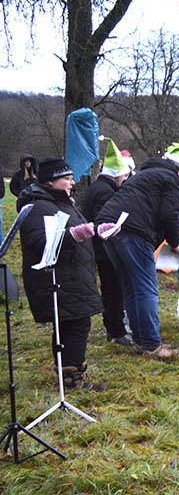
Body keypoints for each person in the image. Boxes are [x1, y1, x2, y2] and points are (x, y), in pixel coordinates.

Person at [94, 143, 179, 361]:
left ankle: (141, 340)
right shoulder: (172, 179)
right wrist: (176, 243)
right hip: (132, 230)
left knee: (130, 286)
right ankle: (152, 345)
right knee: (146, 288)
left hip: (108, 226)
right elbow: (168, 214)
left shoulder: (144, 176)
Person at [17, 159, 105, 390]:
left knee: (73, 324)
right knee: (76, 324)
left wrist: (96, 231)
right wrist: (74, 235)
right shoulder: (39, 206)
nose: (72, 182)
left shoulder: (62, 202)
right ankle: (71, 378)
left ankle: (68, 374)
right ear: (51, 181)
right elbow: (39, 242)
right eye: (67, 179)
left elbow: (75, 230)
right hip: (58, 279)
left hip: (73, 275)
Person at [84, 145, 134, 345]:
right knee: (113, 290)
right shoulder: (105, 192)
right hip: (105, 250)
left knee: (111, 289)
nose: (124, 180)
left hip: (101, 249)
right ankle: (116, 331)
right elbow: (102, 221)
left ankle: (114, 328)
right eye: (123, 176)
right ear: (116, 175)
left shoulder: (99, 187)